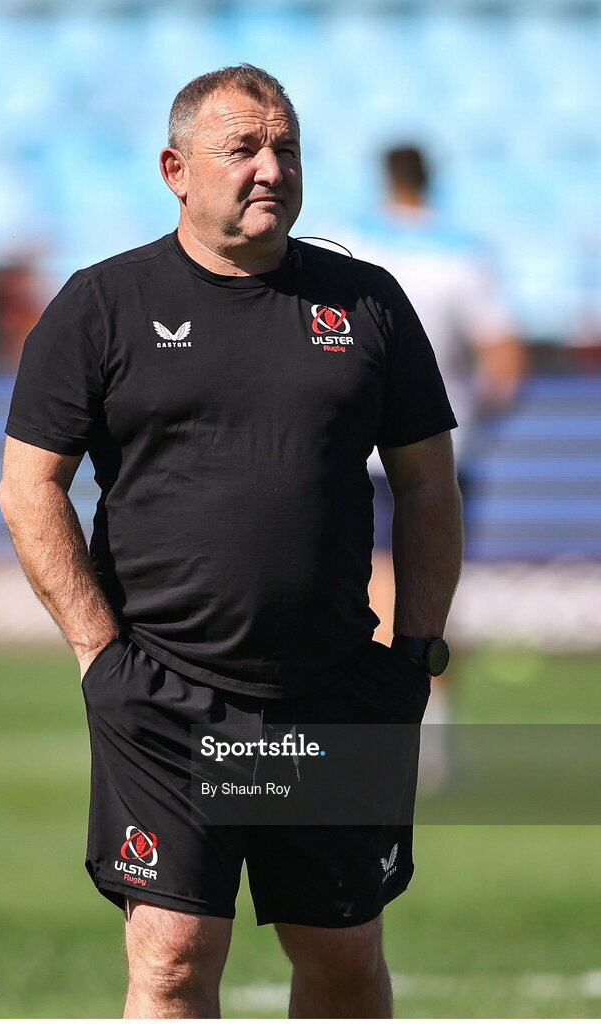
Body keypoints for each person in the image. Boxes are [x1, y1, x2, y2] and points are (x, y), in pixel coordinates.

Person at [0, 66, 462, 1019]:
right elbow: (27, 487)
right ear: (175, 168)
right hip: (164, 692)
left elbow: (426, 483)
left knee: (342, 957)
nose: (269, 168)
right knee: (170, 959)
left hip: (333, 688)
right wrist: (97, 654)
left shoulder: (368, 302)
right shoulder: (100, 305)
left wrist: (414, 653)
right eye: (242, 148)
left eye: (285, 148)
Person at [338, 145, 525, 790]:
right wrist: (475, 418)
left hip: (361, 448)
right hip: (443, 451)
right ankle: (433, 729)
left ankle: (384, 730)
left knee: (374, 589)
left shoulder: (353, 248)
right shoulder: (465, 255)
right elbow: (504, 360)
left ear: (384, 177)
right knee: (434, 589)